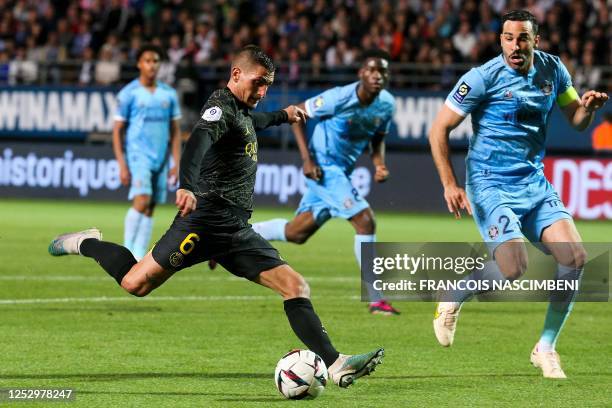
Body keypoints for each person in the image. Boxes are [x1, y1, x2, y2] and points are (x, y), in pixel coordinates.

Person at [49, 45, 384, 388]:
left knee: (296, 285)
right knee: (136, 283)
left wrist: (285, 115)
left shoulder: (241, 111)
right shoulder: (220, 107)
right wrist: (187, 185)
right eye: (258, 82)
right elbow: (198, 141)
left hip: (236, 230)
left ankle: (336, 363)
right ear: (236, 74)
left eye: (267, 84)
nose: (262, 90)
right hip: (204, 222)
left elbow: (257, 121)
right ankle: (86, 242)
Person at [429, 10, 608, 379]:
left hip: (533, 182)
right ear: (501, 41)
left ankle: (545, 347)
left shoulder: (554, 70)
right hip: (489, 182)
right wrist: (449, 183)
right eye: (509, 38)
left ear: (535, 41)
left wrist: (587, 110)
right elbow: (438, 130)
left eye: (523, 38)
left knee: (574, 257)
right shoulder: (482, 78)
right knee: (514, 267)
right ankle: (453, 294)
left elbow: (575, 118)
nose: (516, 45)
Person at [251, 49, 399, 316]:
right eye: (372, 70)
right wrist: (307, 159)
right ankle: (377, 298)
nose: (377, 76)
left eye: (382, 72)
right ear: (361, 74)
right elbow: (296, 113)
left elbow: (377, 138)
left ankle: (240, 235)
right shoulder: (339, 97)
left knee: (297, 233)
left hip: (341, 171)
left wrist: (378, 164)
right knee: (365, 221)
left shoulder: (387, 103)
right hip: (323, 168)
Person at [112, 44, 182, 260]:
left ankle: (138, 256)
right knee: (142, 200)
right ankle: (127, 250)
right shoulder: (128, 93)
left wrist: (176, 162)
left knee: (151, 207)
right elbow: (117, 131)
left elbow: (175, 131)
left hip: (160, 158)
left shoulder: (168, 94)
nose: (152, 65)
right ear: (139, 64)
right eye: (147, 61)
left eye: (155, 61)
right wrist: (122, 164)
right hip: (138, 156)